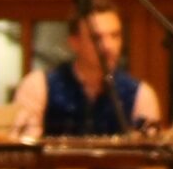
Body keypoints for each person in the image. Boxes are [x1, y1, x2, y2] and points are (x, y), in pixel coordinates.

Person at [9, 8, 161, 138]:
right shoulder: (39, 85)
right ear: (74, 42)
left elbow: (149, 153)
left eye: (115, 36)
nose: (108, 46)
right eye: (96, 38)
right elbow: (23, 146)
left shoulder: (140, 93)